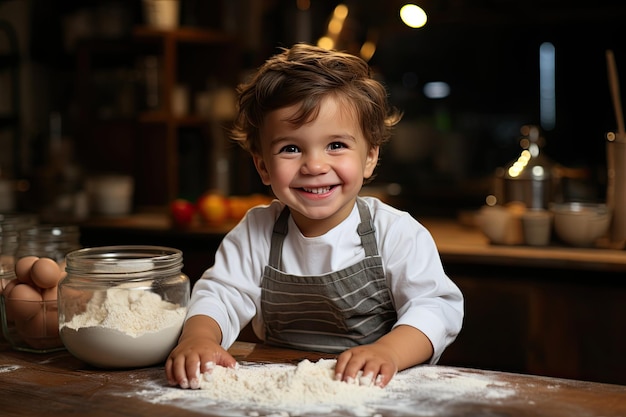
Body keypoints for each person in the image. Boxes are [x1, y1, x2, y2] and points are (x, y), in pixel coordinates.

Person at [165, 43, 464, 390]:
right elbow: (221, 294)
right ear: (262, 165)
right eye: (291, 148)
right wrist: (199, 339)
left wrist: (389, 352)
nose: (315, 166)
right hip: (281, 388)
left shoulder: (394, 233)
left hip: (375, 390)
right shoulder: (257, 231)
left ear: (369, 157)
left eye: (336, 145)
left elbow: (436, 308)